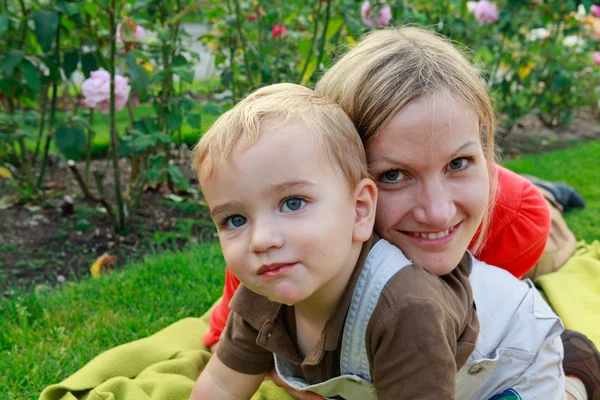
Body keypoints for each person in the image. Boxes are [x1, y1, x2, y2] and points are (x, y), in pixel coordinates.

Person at [203, 27, 600, 399]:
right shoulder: (277, 249)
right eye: (393, 174)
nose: (437, 212)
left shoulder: (509, 225)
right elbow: (229, 363)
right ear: (350, 187)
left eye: (459, 162)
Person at [189, 83, 480, 399]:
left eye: (293, 203)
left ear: (359, 210)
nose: (261, 241)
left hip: (518, 378)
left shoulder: (405, 308)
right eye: (235, 220)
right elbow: (221, 386)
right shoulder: (263, 294)